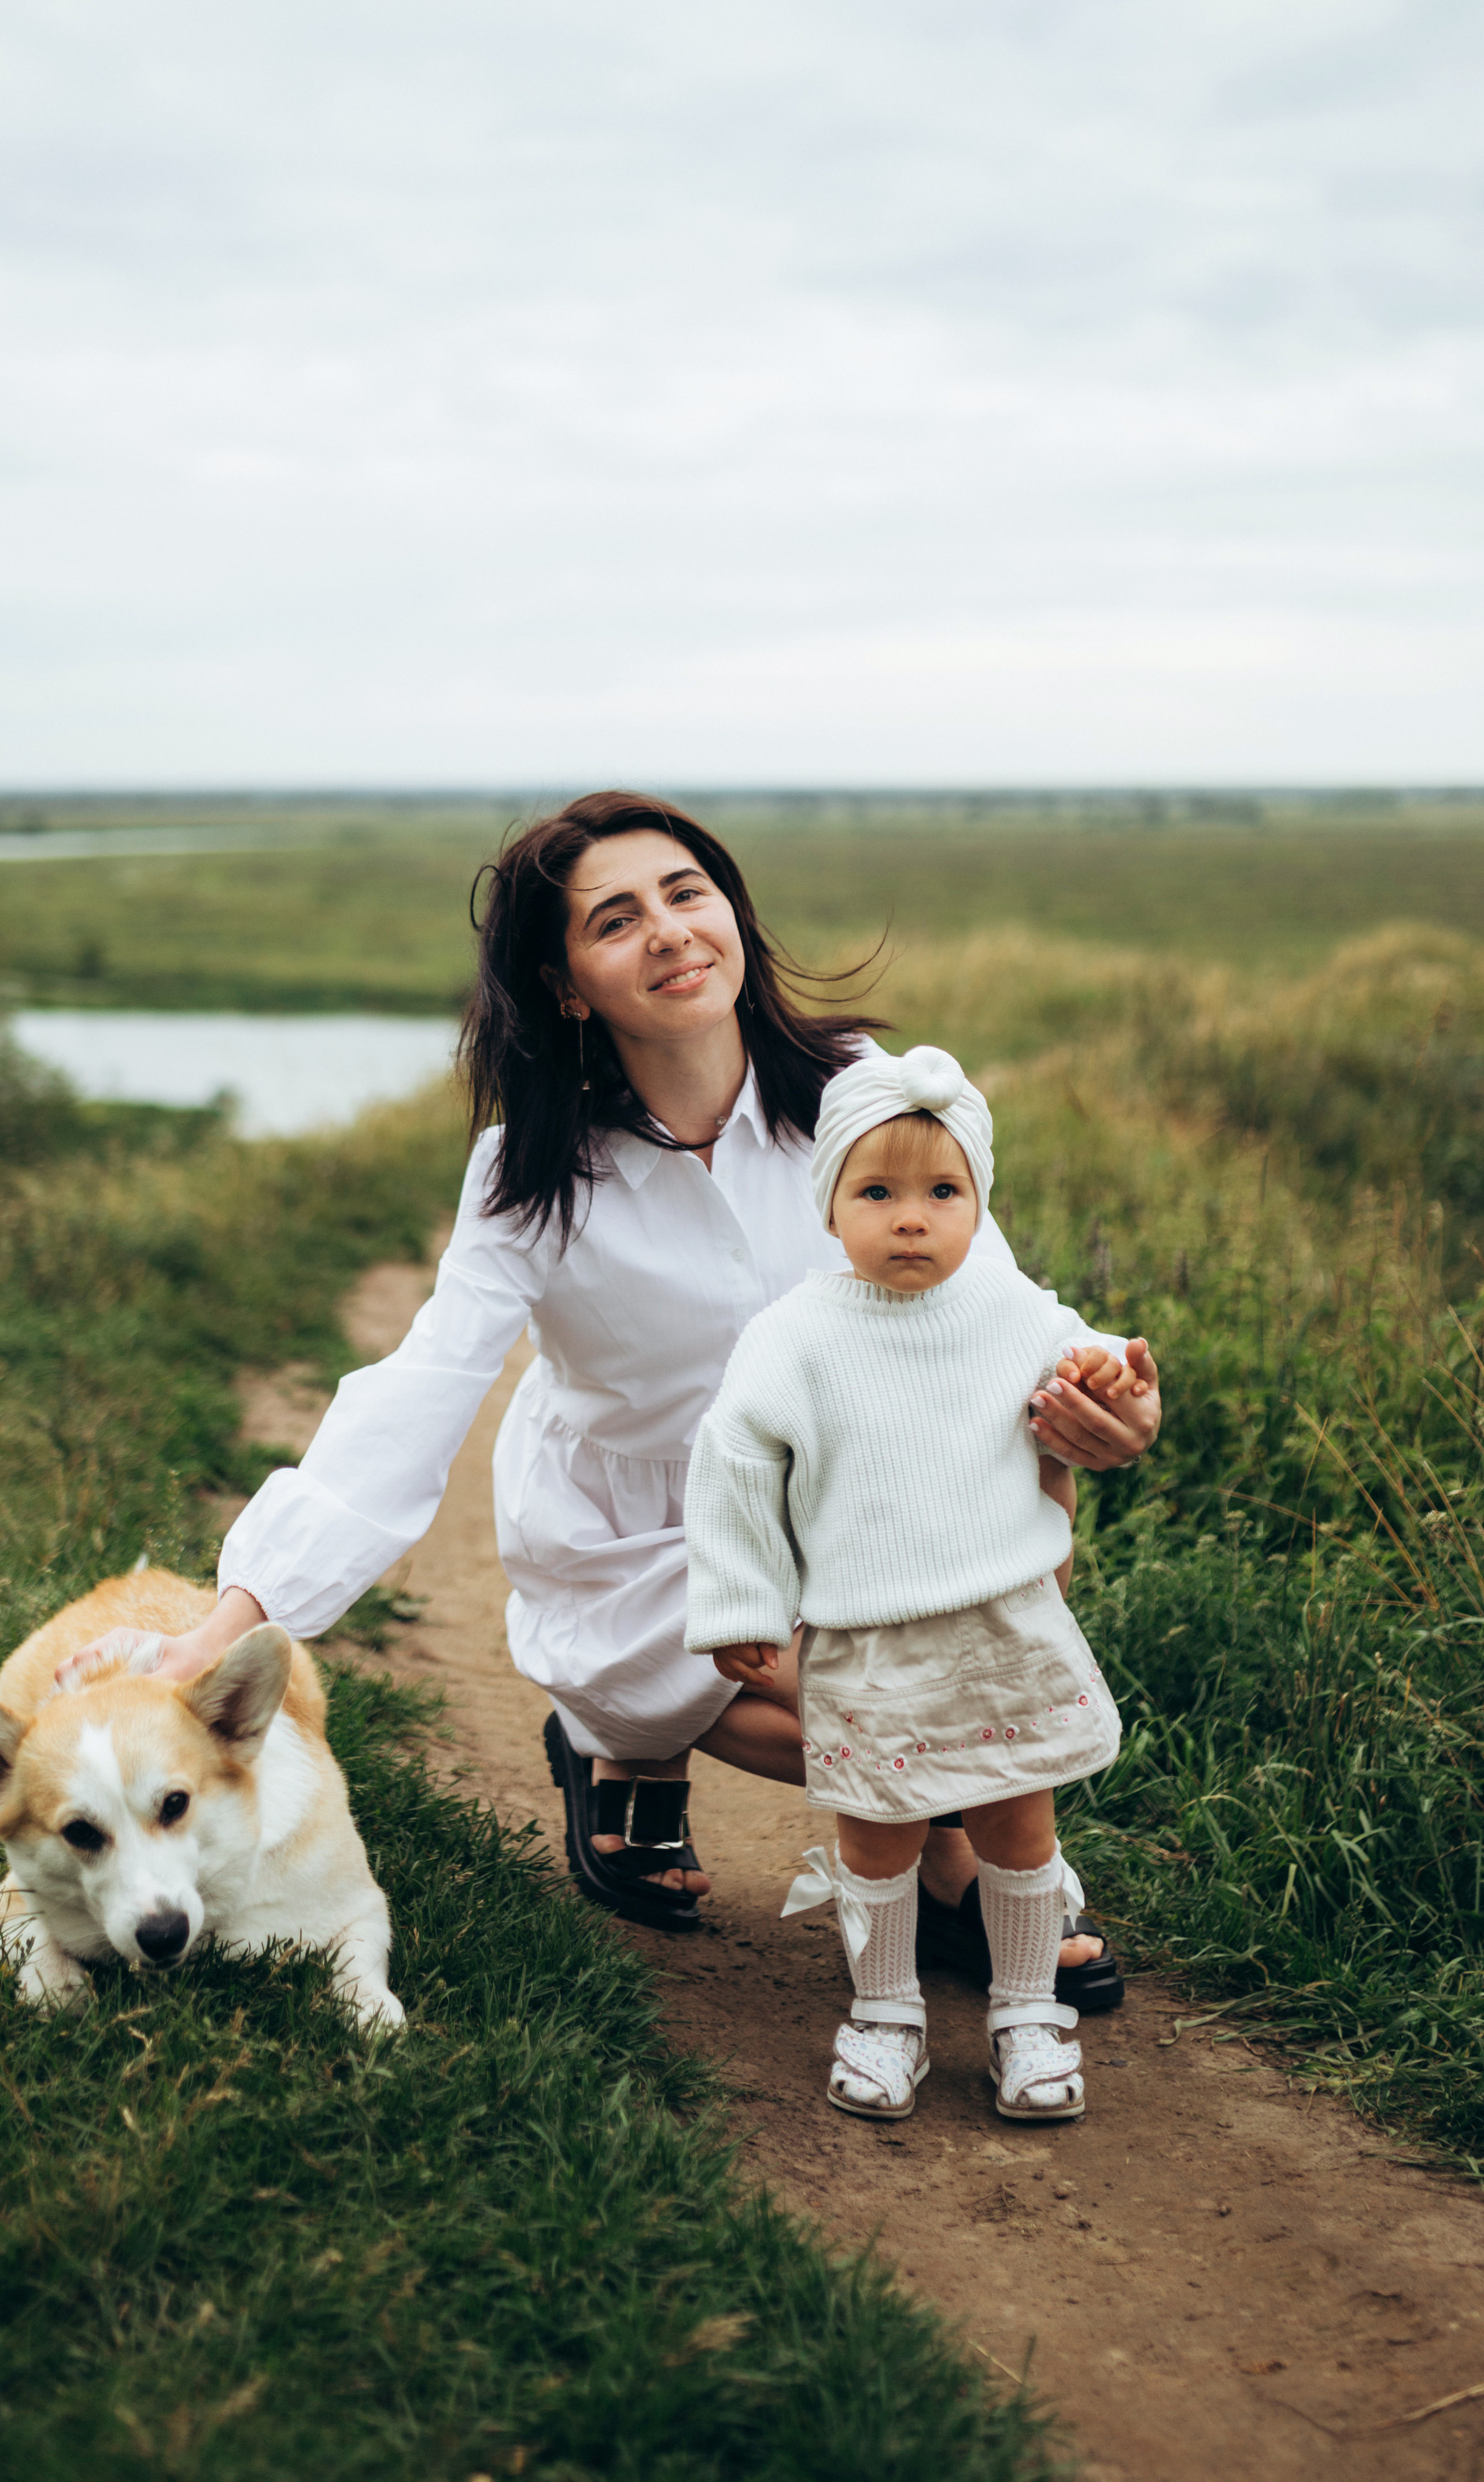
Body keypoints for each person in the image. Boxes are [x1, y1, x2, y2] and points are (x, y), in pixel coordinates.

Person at [61, 792, 1160, 2000]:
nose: (670, 931)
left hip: (855, 1498)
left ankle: (945, 1870)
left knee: (958, 1641)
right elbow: (417, 1394)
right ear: (568, 985)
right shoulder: (531, 1174)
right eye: (617, 919)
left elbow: (991, 1296)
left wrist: (1099, 1387)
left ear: (733, 915)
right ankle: (624, 1743)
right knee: (874, 1689)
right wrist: (223, 1629)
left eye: (688, 895)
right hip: (642, 1533)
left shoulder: (859, 1093)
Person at [684, 1043, 1148, 2123]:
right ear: (829, 1206)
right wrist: (743, 1603)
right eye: (877, 1194)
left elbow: (1087, 1357)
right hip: (867, 1640)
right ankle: (886, 2009)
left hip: (1003, 1629)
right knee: (878, 1832)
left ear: (979, 1205)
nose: (911, 1220)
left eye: (944, 1193)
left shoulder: (1009, 1308)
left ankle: (1027, 2010)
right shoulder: (794, 1337)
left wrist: (1115, 1373)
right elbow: (737, 1466)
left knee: (1017, 1825)